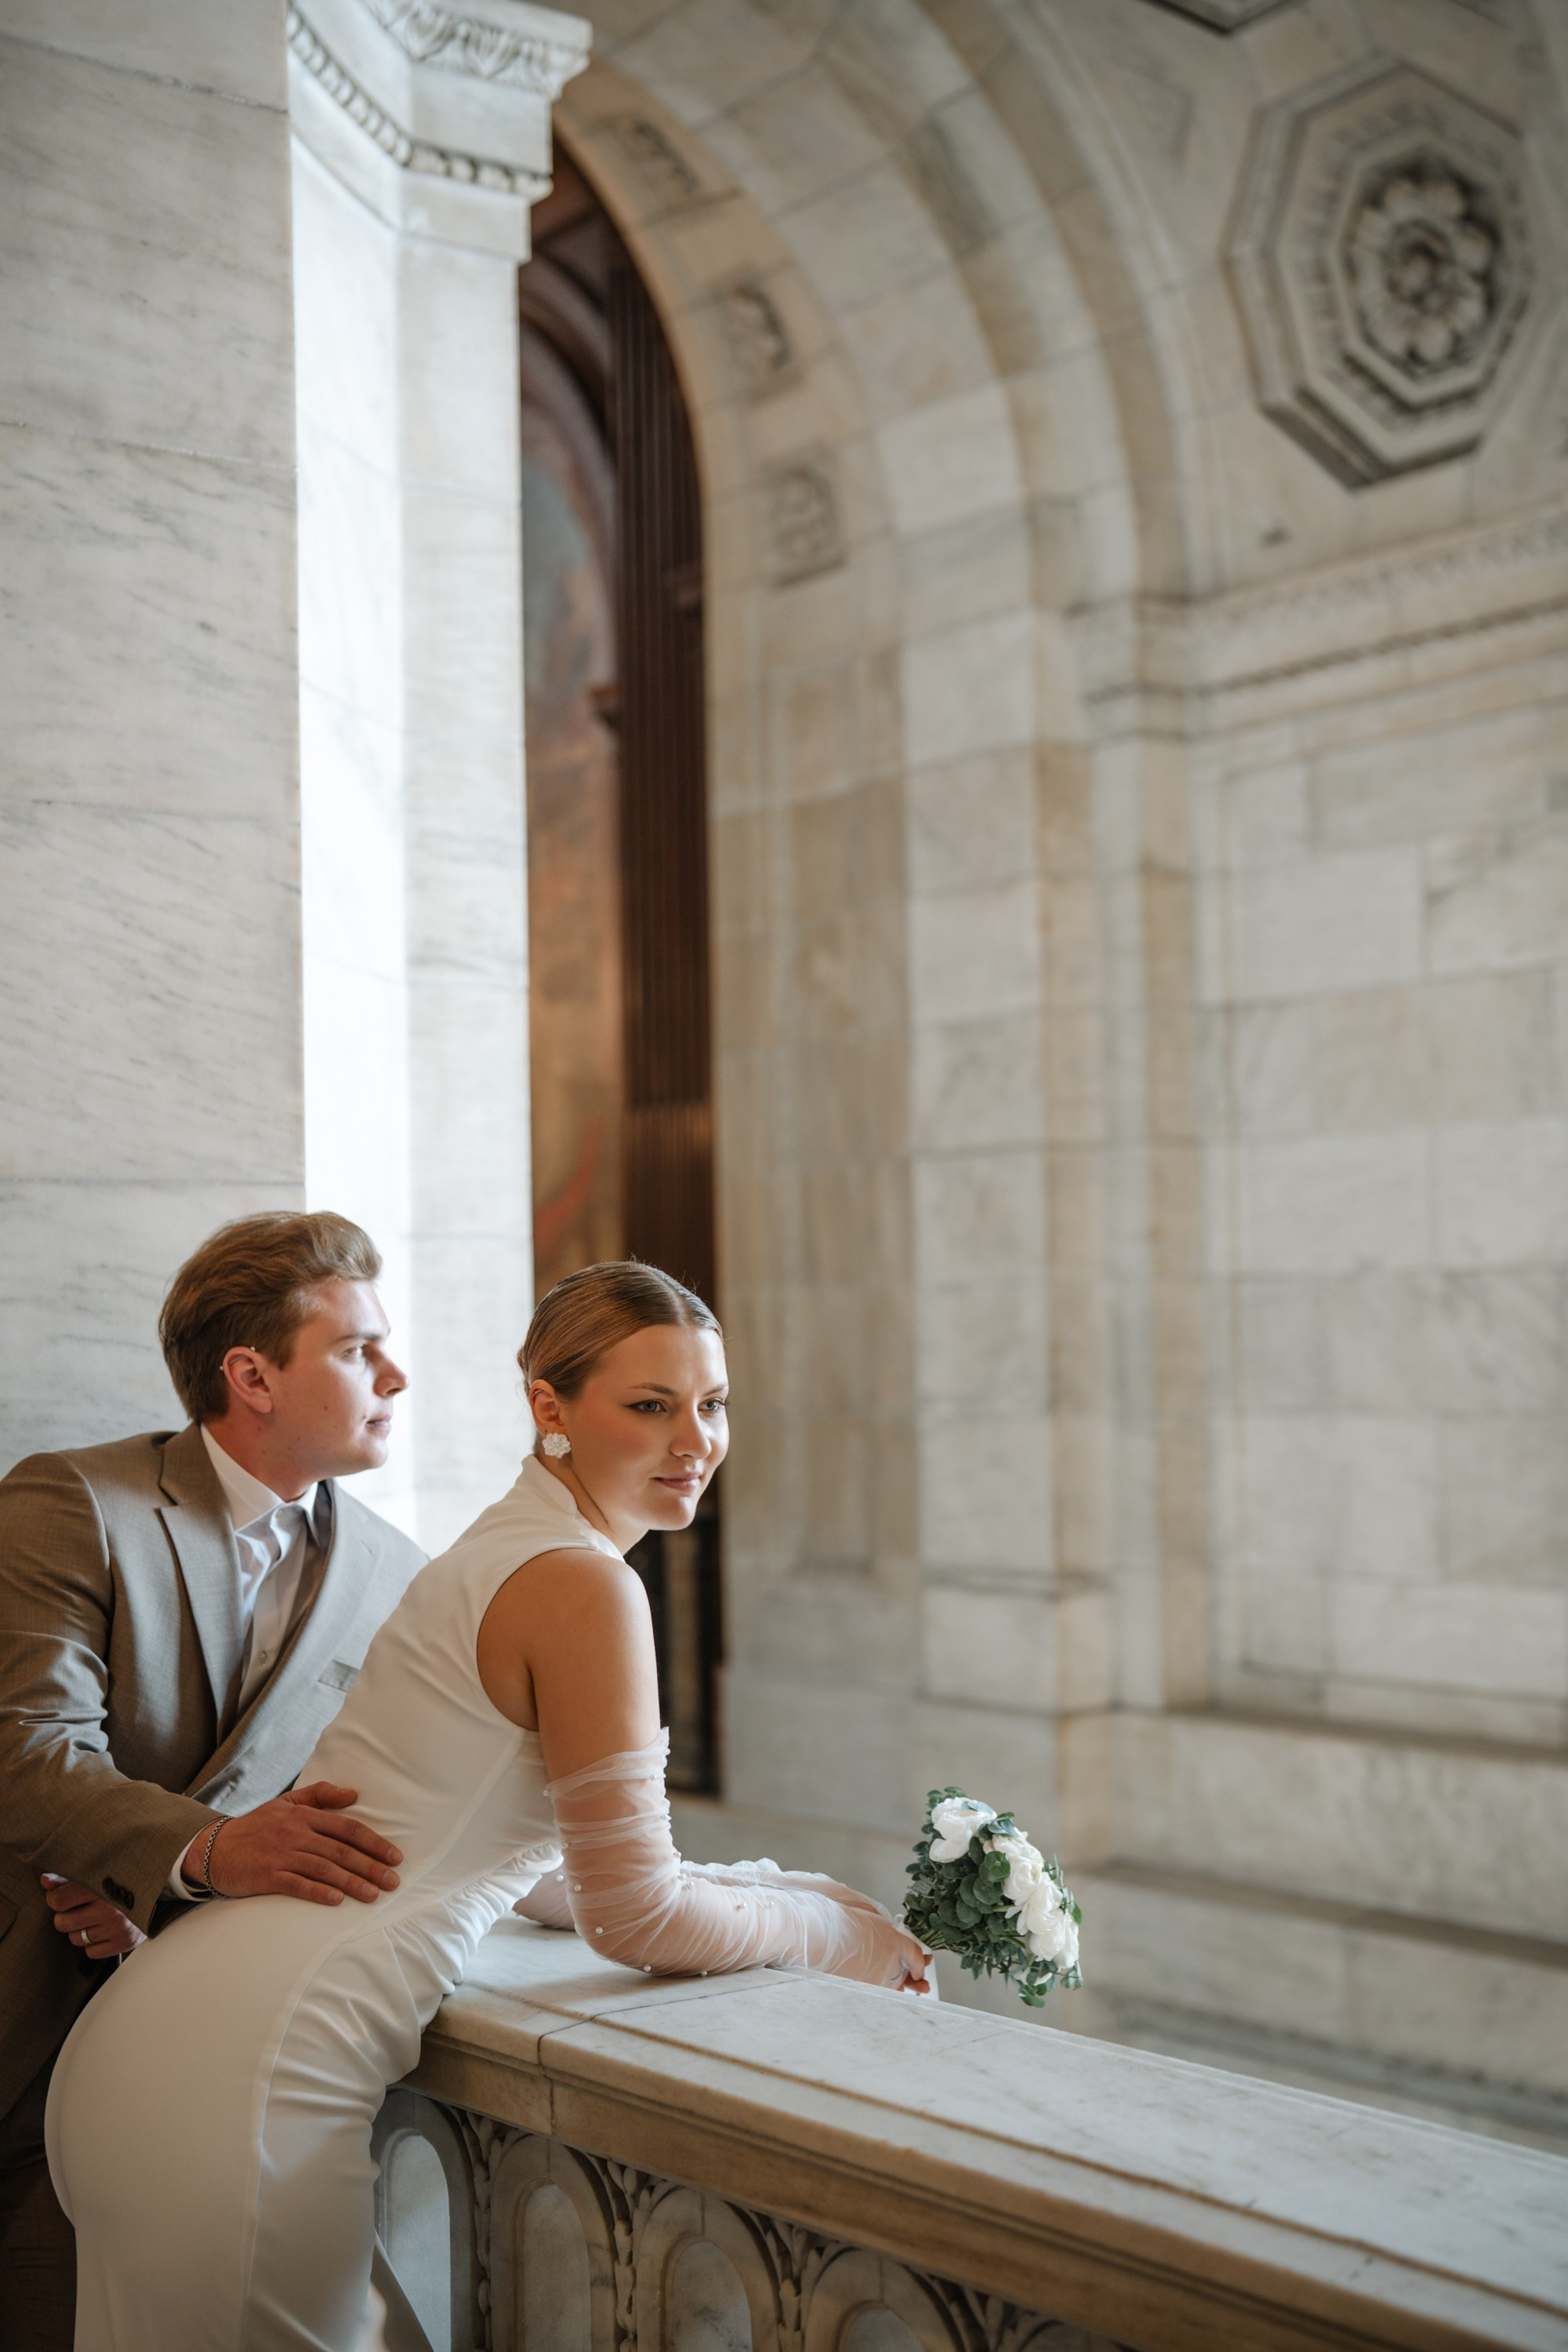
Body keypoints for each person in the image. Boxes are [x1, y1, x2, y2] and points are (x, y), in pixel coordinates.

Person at [47, 1261, 931, 2350]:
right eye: (649, 1407)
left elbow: (547, 1880)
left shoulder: (489, 1554)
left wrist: (793, 1890)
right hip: (251, 2071)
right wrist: (833, 1931)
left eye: (713, 1404)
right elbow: (632, 1917)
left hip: (167, 2036)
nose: (693, 1441)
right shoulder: (582, 1585)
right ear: (549, 1408)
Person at [0, 1212, 425, 2350]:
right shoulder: (73, 1502)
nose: (396, 1374)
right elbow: (24, 1754)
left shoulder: (399, 1573)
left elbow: (380, 1815)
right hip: (29, 2036)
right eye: (356, 1350)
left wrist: (175, 1891)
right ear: (252, 1375)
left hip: (232, 2058)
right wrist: (201, 1854)